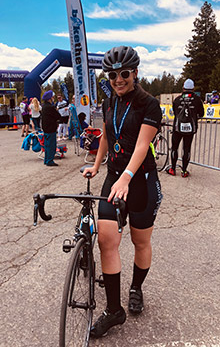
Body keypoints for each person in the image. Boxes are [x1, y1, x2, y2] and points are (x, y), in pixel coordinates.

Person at [83, 46, 163, 339]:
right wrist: (96, 163)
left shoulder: (149, 104)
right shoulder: (108, 102)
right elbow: (107, 133)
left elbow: (142, 145)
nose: (119, 80)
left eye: (124, 74)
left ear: (135, 73)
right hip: (115, 178)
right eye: (113, 75)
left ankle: (136, 288)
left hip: (140, 180)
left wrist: (127, 177)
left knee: (140, 241)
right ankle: (114, 310)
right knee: (107, 240)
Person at [167, 79, 204, 177]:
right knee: (186, 149)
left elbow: (175, 112)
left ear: (183, 88)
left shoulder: (177, 99)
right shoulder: (197, 100)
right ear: (193, 89)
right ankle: (184, 171)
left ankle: (173, 169)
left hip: (177, 128)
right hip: (190, 129)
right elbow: (201, 114)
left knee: (174, 148)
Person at [41, 90, 61, 167]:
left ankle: (46, 159)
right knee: (51, 145)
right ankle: (50, 160)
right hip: (51, 128)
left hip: (45, 128)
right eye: (52, 97)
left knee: (46, 145)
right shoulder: (50, 107)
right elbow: (58, 116)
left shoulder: (44, 106)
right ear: (50, 98)